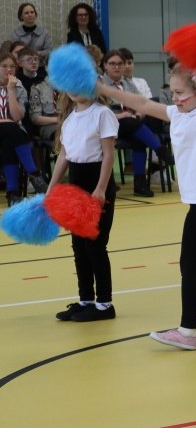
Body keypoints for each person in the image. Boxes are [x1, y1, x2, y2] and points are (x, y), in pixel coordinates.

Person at [98, 61, 196, 350]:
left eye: (180, 92)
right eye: (172, 92)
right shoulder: (177, 113)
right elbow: (141, 103)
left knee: (189, 264)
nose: (175, 98)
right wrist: (103, 89)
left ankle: (188, 331)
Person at [47, 86, 119, 322]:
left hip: (96, 182)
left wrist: (100, 188)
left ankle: (105, 304)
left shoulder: (102, 114)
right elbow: (64, 155)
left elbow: (108, 154)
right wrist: (52, 187)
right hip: (76, 184)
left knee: (95, 246)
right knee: (78, 246)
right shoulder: (69, 119)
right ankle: (86, 299)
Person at [100, 49, 161, 197]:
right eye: (112, 64)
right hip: (107, 125)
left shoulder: (128, 83)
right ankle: (160, 150)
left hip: (130, 124)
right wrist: (120, 116)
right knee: (128, 121)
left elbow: (140, 104)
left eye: (120, 64)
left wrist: (138, 114)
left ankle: (139, 185)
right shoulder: (100, 84)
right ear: (105, 65)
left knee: (139, 140)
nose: (117, 67)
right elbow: (98, 111)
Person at [0, 54, 47, 205]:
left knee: (9, 142)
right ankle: (34, 173)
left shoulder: (19, 87)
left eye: (12, 66)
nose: (9, 70)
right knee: (11, 128)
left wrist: (11, 90)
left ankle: (13, 193)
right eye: (4, 66)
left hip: (12, 133)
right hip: (13, 131)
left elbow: (17, 116)